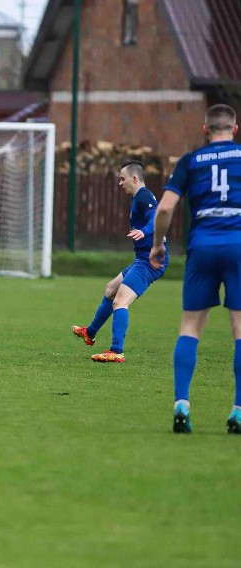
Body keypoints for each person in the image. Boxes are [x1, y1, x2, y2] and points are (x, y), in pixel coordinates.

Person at [150, 103, 241, 434]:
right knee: (240, 330)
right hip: (238, 244)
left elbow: (165, 207)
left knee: (190, 327)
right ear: (234, 129)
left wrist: (158, 243)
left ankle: (182, 404)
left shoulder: (191, 161)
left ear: (205, 130)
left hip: (201, 246)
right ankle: (238, 411)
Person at [71, 161, 168, 363]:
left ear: (134, 178)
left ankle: (116, 350)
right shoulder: (138, 197)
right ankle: (90, 333)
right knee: (111, 289)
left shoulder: (143, 196)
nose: (120, 183)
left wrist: (145, 231)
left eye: (122, 178)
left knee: (120, 301)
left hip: (151, 260)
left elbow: (155, 218)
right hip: (143, 258)